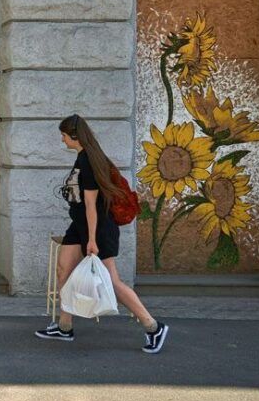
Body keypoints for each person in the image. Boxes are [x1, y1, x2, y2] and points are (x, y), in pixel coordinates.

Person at [35, 114, 169, 354]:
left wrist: (93, 240)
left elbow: (90, 205)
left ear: (75, 136)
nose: (62, 140)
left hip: (97, 229)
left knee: (112, 282)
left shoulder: (89, 161)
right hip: (79, 226)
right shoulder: (83, 157)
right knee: (63, 268)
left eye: (64, 135)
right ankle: (65, 327)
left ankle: (153, 326)